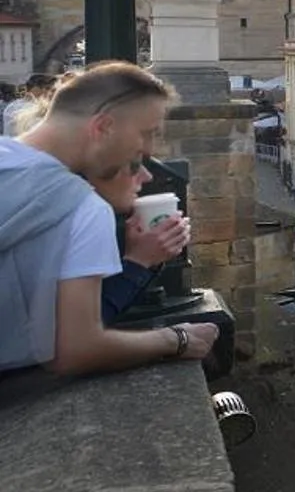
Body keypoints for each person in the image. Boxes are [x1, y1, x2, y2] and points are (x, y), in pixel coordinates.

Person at [0, 63, 218, 378]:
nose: (148, 149)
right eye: (146, 134)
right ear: (103, 126)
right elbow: (75, 351)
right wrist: (177, 340)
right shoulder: (83, 208)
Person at [90, 158, 194, 324]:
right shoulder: (83, 218)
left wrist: (148, 258)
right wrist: (139, 261)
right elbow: (81, 329)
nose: (147, 177)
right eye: (134, 165)